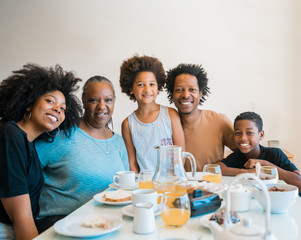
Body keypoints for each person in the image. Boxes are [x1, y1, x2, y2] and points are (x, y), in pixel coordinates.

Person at [35, 76, 129, 233]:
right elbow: (20, 170)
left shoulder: (118, 142)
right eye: (94, 100)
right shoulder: (60, 134)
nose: (102, 106)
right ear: (83, 100)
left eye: (108, 100)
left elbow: (123, 188)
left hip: (103, 221)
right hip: (59, 221)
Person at [0, 64, 82, 240]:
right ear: (29, 104)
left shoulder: (29, 144)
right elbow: (21, 217)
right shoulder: (10, 134)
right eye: (50, 101)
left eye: (63, 108)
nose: (58, 109)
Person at [217, 111, 301, 216]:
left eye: (249, 133)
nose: (243, 138)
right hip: (275, 208)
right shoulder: (238, 156)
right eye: (238, 133)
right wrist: (247, 172)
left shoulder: (275, 154)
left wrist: (264, 164)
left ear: (261, 134)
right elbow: (218, 168)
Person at [165, 63, 237, 171]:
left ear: (201, 94)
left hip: (212, 186)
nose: (185, 95)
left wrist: (223, 165)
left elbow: (244, 151)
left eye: (192, 90)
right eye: (179, 90)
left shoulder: (219, 121)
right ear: (172, 94)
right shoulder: (164, 124)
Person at [120, 55, 185, 173]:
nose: (147, 89)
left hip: (171, 181)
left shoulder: (171, 115)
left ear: (158, 87)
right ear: (131, 88)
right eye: (140, 84)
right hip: (145, 185)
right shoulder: (127, 124)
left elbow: (181, 156)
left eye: (152, 84)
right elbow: (132, 163)